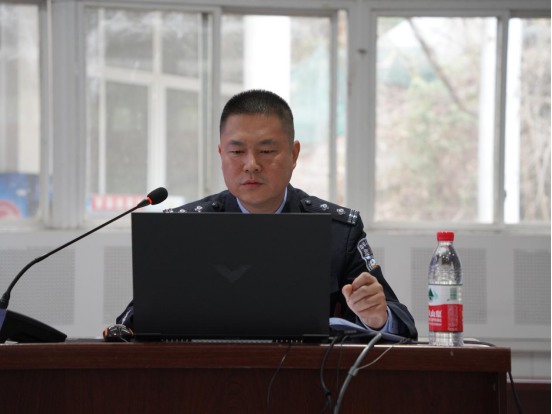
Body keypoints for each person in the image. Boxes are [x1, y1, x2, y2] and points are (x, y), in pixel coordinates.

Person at [117, 90, 417, 339]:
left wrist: (377, 317)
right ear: (221, 155)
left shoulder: (337, 230)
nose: (251, 164)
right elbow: (130, 323)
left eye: (266, 151)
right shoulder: (181, 229)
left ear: (294, 155)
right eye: (237, 152)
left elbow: (401, 324)